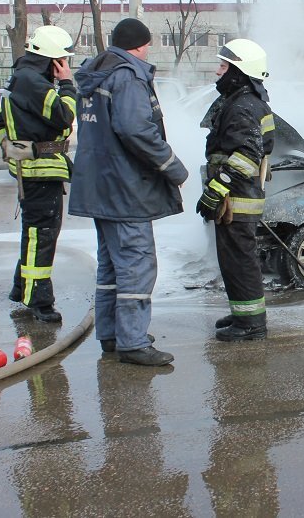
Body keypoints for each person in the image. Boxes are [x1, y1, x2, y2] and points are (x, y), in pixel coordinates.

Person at [68, 18, 187, 366]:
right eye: (149, 44)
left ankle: (112, 334)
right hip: (125, 189)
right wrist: (172, 167)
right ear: (140, 45)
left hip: (99, 186)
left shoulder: (95, 75)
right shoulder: (128, 76)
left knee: (110, 267)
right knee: (136, 264)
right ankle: (133, 342)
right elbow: (135, 130)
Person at [0, 25, 77, 324]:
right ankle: (38, 301)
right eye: (63, 61)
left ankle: (21, 288)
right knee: (42, 235)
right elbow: (65, 116)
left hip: (34, 171)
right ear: (52, 59)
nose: (65, 66)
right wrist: (67, 85)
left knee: (34, 234)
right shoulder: (33, 83)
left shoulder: (21, 78)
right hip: (40, 172)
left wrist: (11, 147)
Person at [196, 38, 275, 342]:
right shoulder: (247, 102)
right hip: (238, 197)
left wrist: (215, 190)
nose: (218, 71)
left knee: (240, 260)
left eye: (224, 65)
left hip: (236, 199)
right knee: (233, 260)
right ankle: (244, 313)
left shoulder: (243, 106)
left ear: (239, 72)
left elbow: (246, 156)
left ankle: (252, 325)